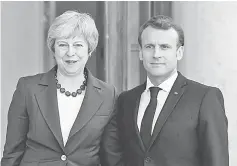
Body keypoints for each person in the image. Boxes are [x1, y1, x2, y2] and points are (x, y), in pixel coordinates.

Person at [1, 10, 122, 166]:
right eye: (63, 45)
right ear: (53, 49)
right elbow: (12, 153)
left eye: (78, 45)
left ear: (89, 50)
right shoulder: (28, 88)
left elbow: (110, 155)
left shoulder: (108, 94)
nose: (70, 53)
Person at [117, 15, 229, 166]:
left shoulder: (205, 98)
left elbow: (216, 160)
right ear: (140, 52)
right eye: (149, 47)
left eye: (165, 47)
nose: (156, 54)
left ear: (179, 52)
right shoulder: (126, 100)